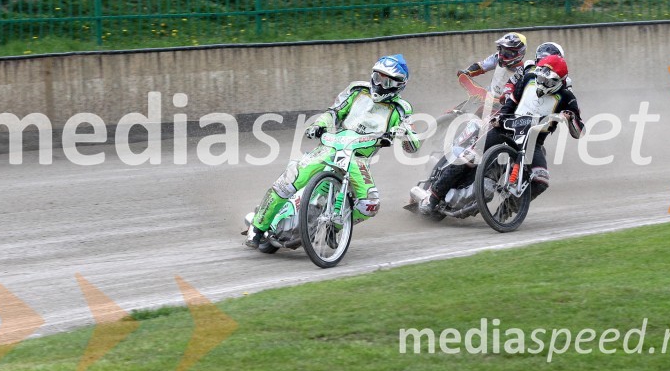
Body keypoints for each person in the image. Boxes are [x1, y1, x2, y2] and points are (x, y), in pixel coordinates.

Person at [246, 54, 420, 248]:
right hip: (331, 146)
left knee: (370, 205)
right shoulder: (357, 90)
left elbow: (413, 145)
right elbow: (333, 112)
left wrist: (402, 134)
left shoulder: (401, 109)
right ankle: (257, 227)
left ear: (398, 85)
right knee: (288, 181)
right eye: (377, 77)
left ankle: (335, 226)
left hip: (359, 159)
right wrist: (319, 125)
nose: (379, 84)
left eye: (386, 81)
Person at [420, 54, 584, 214]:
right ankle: (433, 197)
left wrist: (570, 118)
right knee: (469, 156)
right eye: (540, 77)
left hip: (534, 143)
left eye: (548, 80)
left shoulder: (567, 97)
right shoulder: (528, 80)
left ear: (559, 81)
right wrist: (500, 117)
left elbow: (579, 131)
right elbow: (512, 101)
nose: (542, 82)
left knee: (541, 181)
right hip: (505, 129)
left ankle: (506, 211)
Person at [458, 32, 528, 101]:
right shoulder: (497, 57)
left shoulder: (523, 72)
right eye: (502, 50)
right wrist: (467, 72)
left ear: (519, 53)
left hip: (504, 104)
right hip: (488, 95)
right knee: (457, 110)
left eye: (507, 53)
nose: (502, 55)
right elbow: (482, 66)